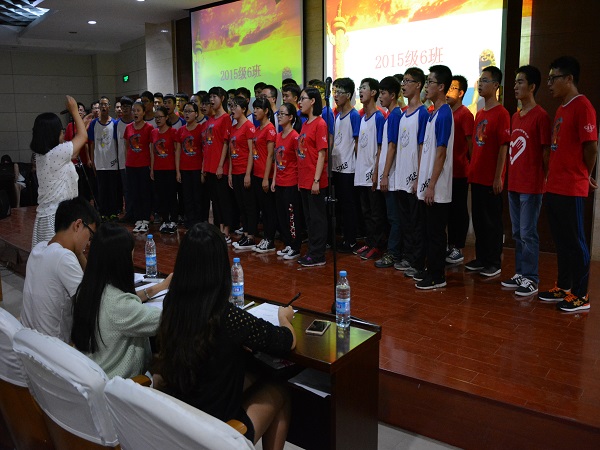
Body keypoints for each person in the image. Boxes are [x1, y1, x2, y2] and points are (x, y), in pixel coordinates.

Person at [155, 223, 296, 449]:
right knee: (279, 390)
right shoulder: (228, 317)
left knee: (250, 371)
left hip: (182, 418)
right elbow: (285, 341)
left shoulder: (172, 303)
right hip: (214, 431)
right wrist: (284, 318)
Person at [71, 223, 171, 379]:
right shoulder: (120, 305)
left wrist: (159, 287)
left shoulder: (86, 290)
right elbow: (168, 320)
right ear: (122, 262)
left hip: (93, 374)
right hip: (120, 385)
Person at [538, 56, 597, 312]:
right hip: (554, 185)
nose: (549, 84)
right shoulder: (562, 108)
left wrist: (585, 175)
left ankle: (581, 295)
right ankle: (563, 286)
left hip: (572, 186)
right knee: (561, 240)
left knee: (576, 241)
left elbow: (591, 147)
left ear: (569, 79)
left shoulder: (583, 106)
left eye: (554, 78)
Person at [501, 65, 551, 297]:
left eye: (520, 82)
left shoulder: (541, 116)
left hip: (531, 186)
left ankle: (532, 278)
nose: (515, 86)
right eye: (515, 82)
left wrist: (545, 179)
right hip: (514, 184)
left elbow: (545, 152)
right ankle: (521, 273)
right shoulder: (515, 116)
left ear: (532, 86)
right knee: (518, 233)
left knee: (528, 233)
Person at [21, 197, 100, 343]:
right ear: (78, 225)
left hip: (29, 342)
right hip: (52, 348)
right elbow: (93, 301)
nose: (88, 243)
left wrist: (78, 251)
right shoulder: (63, 257)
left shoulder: (38, 248)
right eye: (90, 235)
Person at [465, 66, 510, 277]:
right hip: (477, 175)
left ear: (496, 85)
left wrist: (498, 176)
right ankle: (481, 258)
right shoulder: (480, 113)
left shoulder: (502, 113)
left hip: (491, 178)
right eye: (480, 80)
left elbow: (503, 147)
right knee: (479, 221)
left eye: (485, 80)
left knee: (492, 222)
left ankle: (493, 262)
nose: (480, 84)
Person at [415, 65, 454, 289]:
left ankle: (438, 276)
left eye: (430, 82)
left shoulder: (445, 114)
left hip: (437, 187)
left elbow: (441, 152)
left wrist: (431, 185)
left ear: (441, 87)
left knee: (436, 233)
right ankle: (430, 269)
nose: (426, 86)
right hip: (427, 184)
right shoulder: (432, 113)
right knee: (427, 231)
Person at [31, 95, 88, 247]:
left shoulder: (44, 154)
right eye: (61, 130)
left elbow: (74, 153)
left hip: (48, 216)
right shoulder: (57, 153)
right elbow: (82, 137)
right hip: (56, 218)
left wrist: (82, 124)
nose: (63, 133)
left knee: (48, 257)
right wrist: (74, 111)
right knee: (58, 256)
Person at [394, 68, 429, 277]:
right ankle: (408, 257)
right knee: (405, 221)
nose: (404, 85)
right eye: (403, 81)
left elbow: (423, 147)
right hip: (401, 177)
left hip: (414, 178)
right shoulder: (403, 113)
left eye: (408, 81)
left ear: (418, 85)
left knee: (417, 223)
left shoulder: (423, 113)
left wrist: (418, 177)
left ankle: (417, 262)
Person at [354, 78, 386, 261]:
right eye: (360, 88)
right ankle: (369, 242)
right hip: (361, 173)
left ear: (373, 92)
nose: (360, 91)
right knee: (365, 211)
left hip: (372, 173)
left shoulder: (379, 117)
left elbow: (380, 147)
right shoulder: (362, 118)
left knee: (376, 213)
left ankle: (378, 246)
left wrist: (376, 173)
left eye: (364, 88)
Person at [297, 87, 329, 267]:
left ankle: (318, 255)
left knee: (317, 219)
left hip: (315, 180)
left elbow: (322, 154)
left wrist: (316, 180)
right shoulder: (305, 123)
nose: (300, 102)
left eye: (303, 99)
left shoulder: (320, 123)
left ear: (313, 101)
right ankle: (312, 250)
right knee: (309, 219)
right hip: (304, 179)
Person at [445, 75, 474, 265]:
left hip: (460, 172)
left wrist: (471, 167)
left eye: (452, 88)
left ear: (461, 92)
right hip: (445, 173)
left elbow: (472, 145)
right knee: (447, 211)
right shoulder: (445, 112)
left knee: (458, 210)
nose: (448, 92)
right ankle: (449, 245)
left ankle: (458, 248)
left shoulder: (465, 114)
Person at [375, 75, 403, 269]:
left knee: (395, 218)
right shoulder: (389, 115)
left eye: (383, 93)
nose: (380, 97)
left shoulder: (395, 115)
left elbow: (392, 147)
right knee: (391, 217)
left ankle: (394, 254)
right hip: (388, 176)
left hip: (392, 177)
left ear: (393, 95)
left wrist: (384, 175)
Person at [331, 78, 361, 254]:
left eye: (339, 92)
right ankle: (344, 237)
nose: (335, 95)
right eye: (334, 92)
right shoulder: (337, 116)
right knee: (341, 206)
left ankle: (351, 240)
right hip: (336, 168)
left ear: (348, 95)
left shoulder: (354, 116)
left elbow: (357, 143)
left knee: (349, 206)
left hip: (349, 169)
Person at [272, 102, 303, 260]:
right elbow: (276, 160)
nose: (279, 116)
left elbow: (299, 161)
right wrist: (273, 180)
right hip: (279, 182)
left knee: (292, 217)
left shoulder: (295, 136)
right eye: (279, 114)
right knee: (282, 215)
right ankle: (288, 244)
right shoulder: (278, 136)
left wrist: (299, 182)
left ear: (291, 117)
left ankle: (295, 246)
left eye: (283, 114)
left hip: (291, 182)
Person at [204, 86, 234, 242]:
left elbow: (226, 143)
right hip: (209, 166)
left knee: (223, 200)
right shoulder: (210, 119)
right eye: (210, 96)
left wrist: (221, 165)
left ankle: (226, 230)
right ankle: (219, 229)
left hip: (220, 166)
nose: (211, 99)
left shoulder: (226, 118)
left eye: (214, 96)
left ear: (222, 98)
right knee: (214, 200)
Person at [228, 96, 258, 249]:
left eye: (235, 107)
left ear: (244, 109)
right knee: (240, 205)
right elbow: (231, 151)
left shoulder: (249, 127)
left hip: (246, 171)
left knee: (249, 205)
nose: (232, 110)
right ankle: (245, 233)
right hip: (235, 171)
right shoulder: (233, 127)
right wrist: (230, 173)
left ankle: (251, 236)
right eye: (231, 107)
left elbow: (252, 152)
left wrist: (247, 174)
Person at [252, 97, 278, 253]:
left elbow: (270, 155)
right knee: (262, 208)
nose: (255, 111)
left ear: (266, 111)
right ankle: (266, 238)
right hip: (256, 173)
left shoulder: (270, 129)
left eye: (258, 108)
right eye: (254, 108)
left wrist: (266, 178)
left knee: (269, 209)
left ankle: (270, 239)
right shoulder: (258, 128)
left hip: (265, 174)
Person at [88, 96, 120, 222]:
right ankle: (102, 213)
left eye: (105, 104)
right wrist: (92, 160)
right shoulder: (94, 124)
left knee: (112, 189)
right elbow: (91, 143)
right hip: (99, 162)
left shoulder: (115, 123)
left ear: (109, 106)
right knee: (101, 190)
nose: (103, 107)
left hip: (112, 162)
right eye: (101, 104)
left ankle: (113, 213)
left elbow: (117, 143)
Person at [124, 101, 154, 233]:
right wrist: (126, 162)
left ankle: (145, 219)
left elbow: (151, 149)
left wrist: (151, 167)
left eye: (138, 110)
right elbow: (126, 147)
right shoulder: (128, 128)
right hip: (131, 165)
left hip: (144, 165)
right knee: (134, 192)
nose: (135, 113)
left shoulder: (149, 128)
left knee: (144, 192)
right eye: (133, 110)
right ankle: (138, 219)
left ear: (143, 113)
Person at [150, 106, 179, 234]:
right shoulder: (153, 132)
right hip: (158, 169)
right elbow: (152, 152)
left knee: (171, 195)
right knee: (161, 196)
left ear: (166, 117)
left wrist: (177, 170)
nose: (158, 120)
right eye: (156, 117)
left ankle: (174, 220)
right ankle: (165, 220)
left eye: (160, 117)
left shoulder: (173, 132)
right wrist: (152, 169)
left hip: (170, 169)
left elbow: (177, 151)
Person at [176, 102, 204, 229]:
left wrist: (203, 170)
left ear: (196, 114)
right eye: (185, 111)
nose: (186, 114)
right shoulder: (181, 130)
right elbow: (178, 151)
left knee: (198, 196)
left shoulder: (201, 129)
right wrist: (178, 171)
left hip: (197, 169)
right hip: (184, 169)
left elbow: (204, 150)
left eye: (190, 111)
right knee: (186, 197)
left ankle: (199, 221)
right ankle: (189, 220)